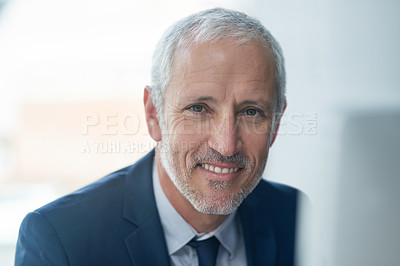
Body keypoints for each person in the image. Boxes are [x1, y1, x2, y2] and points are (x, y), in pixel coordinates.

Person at [15, 7, 300, 266]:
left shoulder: (299, 218)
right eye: (198, 108)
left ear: (275, 123)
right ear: (154, 115)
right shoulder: (61, 240)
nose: (225, 145)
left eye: (251, 112)